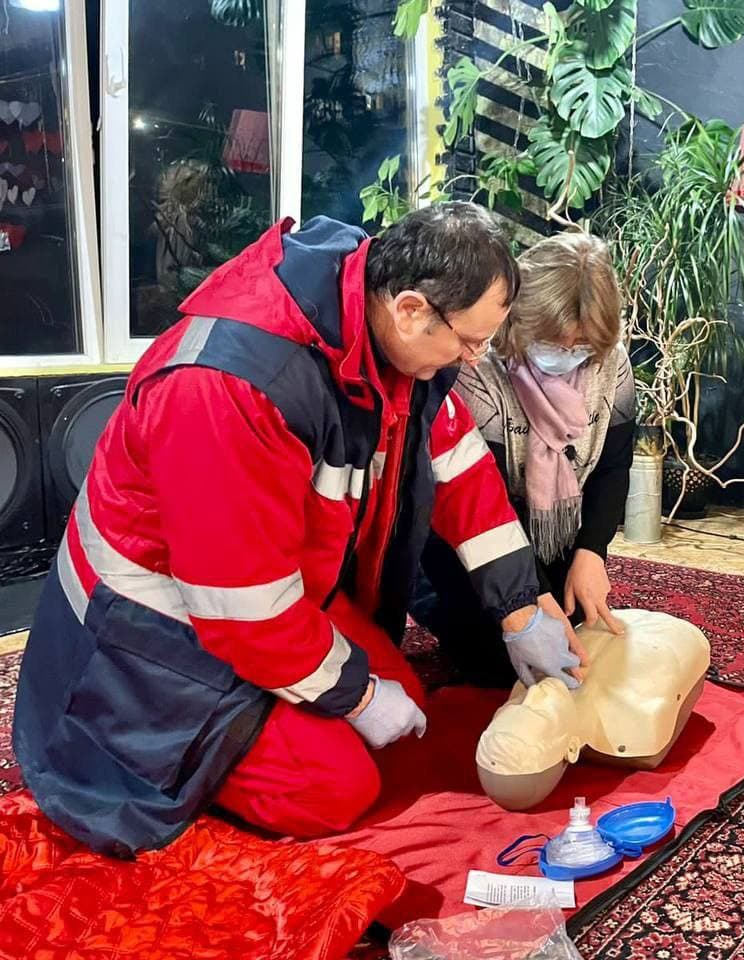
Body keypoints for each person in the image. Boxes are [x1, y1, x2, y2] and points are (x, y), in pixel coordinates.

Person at [14, 204, 587, 857]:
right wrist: (358, 697)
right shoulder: (229, 388)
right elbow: (243, 610)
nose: (474, 358)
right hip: (152, 626)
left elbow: (461, 471)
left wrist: (520, 608)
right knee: (332, 789)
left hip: (269, 589)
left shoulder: (383, 328)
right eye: (469, 341)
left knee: (405, 705)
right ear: (409, 309)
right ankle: (152, 754)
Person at [413, 231, 635, 687]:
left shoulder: (610, 362)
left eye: (580, 347)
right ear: (518, 320)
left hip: (553, 527)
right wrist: (529, 599)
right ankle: (428, 597)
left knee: (574, 634)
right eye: (553, 342)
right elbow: (481, 501)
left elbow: (613, 466)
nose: (566, 356)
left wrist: (592, 552)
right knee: (500, 665)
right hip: (478, 533)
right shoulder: (476, 365)